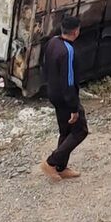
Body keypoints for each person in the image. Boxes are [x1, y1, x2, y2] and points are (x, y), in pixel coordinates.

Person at [39, 15, 89, 180]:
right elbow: (68, 81)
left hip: (53, 92)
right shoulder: (68, 51)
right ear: (76, 32)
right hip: (65, 97)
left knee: (65, 131)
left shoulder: (52, 42)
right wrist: (74, 107)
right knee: (80, 130)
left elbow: (44, 66)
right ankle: (51, 162)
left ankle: (60, 167)